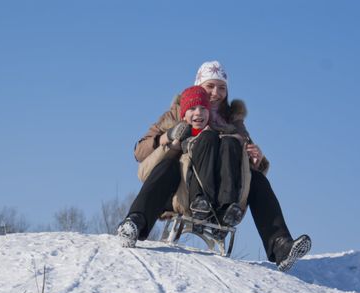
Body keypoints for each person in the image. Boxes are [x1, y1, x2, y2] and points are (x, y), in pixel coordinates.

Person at [118, 61, 311, 272]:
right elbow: (140, 151)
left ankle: (281, 245)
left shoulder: (234, 124)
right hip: (184, 187)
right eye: (210, 86)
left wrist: (257, 161)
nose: (216, 93)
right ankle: (135, 223)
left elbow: (244, 167)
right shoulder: (177, 113)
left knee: (258, 181)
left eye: (222, 88)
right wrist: (167, 137)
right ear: (198, 86)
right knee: (168, 167)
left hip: (225, 199)